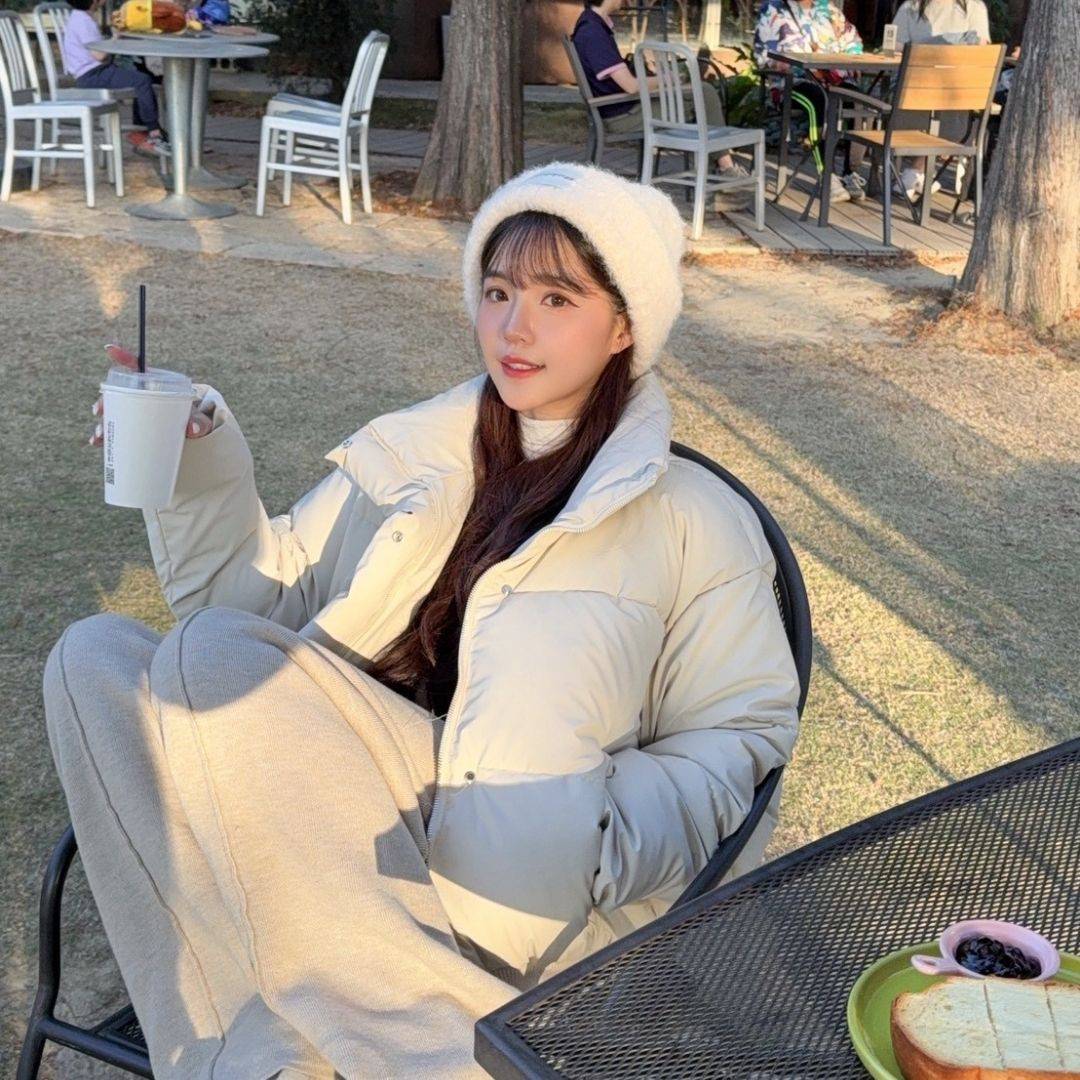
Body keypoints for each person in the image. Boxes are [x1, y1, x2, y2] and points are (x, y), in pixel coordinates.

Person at [59, 163, 800, 1078]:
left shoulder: (689, 515)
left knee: (204, 656)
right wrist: (196, 464)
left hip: (501, 862)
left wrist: (591, 836)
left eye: (556, 298)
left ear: (624, 327)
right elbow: (253, 621)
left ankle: (407, 1042)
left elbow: (740, 735)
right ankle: (267, 1055)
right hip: (339, 800)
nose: (514, 328)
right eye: (498, 292)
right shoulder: (421, 455)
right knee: (92, 657)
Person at [572, 0, 751, 192]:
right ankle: (725, 168)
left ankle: (719, 166)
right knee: (704, 92)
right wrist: (665, 80)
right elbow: (630, 86)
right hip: (622, 114)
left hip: (621, 107)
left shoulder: (591, 24)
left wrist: (655, 78)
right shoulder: (593, 32)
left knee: (696, 92)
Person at [753, 0, 869, 203]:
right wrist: (776, 62)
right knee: (819, 101)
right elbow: (762, 54)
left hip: (832, 80)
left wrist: (851, 60)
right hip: (792, 82)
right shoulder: (773, 9)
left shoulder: (830, 11)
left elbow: (853, 43)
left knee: (859, 102)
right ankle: (827, 176)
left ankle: (850, 172)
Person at [891, 0, 991, 201]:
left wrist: (924, 51)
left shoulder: (973, 8)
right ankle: (918, 171)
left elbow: (980, 52)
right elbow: (892, 45)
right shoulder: (911, 7)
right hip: (938, 105)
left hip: (942, 105)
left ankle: (916, 170)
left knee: (934, 98)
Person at [62, 0, 169, 157]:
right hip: (92, 75)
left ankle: (141, 132)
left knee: (139, 76)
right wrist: (115, 37)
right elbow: (99, 55)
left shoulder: (79, 17)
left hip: (93, 72)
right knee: (142, 81)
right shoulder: (84, 21)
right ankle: (154, 132)